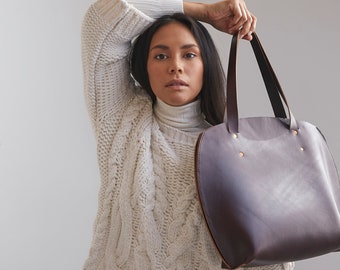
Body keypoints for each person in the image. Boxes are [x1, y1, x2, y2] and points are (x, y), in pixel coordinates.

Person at [81, 0, 294, 269]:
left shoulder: (232, 153)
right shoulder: (122, 118)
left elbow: (264, 259)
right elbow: (102, 17)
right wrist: (202, 12)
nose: (176, 66)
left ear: (207, 65)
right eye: (160, 55)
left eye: (189, 54)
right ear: (144, 66)